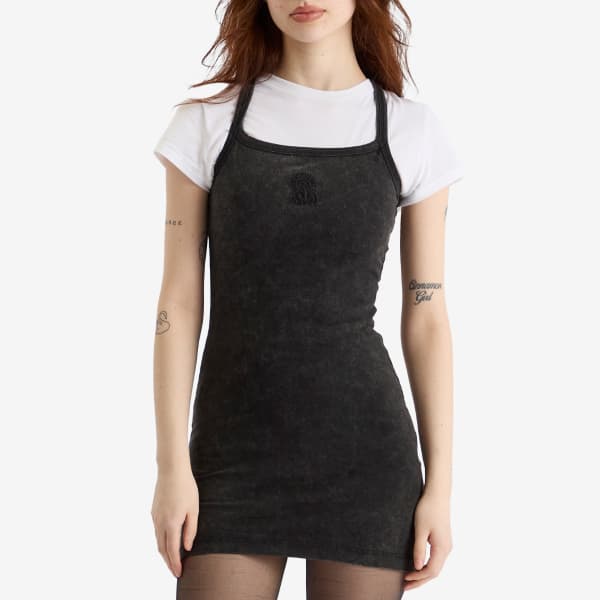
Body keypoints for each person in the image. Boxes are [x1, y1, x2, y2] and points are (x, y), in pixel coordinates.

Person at [151, 1, 463, 598]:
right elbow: (179, 301)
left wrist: (440, 488)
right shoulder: (205, 123)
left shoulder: (412, 130)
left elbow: (427, 317)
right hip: (229, 458)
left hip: (368, 462)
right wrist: (171, 467)